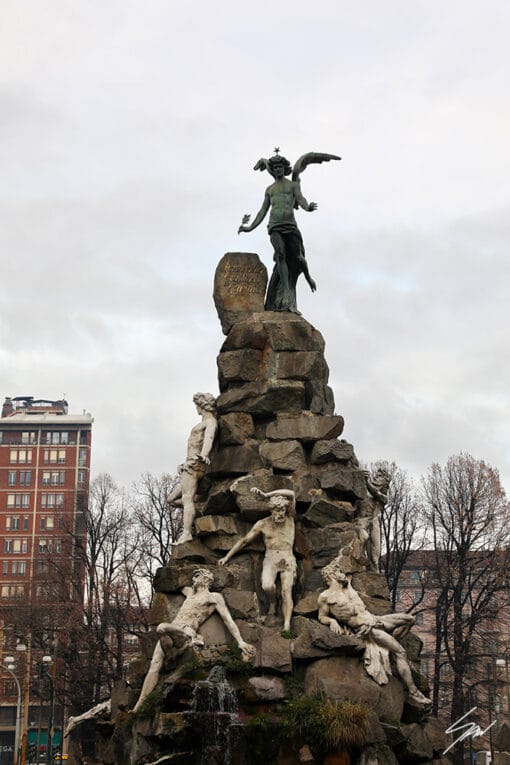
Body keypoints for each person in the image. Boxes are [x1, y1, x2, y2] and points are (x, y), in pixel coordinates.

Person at [132, 569, 255, 713]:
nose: (193, 578)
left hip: (186, 632)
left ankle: (178, 650)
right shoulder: (189, 593)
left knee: (161, 628)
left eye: (196, 575)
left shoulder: (213, 597)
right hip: (174, 629)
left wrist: (240, 642)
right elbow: (174, 583)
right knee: (154, 665)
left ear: (206, 578)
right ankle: (139, 706)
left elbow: (228, 620)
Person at [318, 558, 431, 708]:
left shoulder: (348, 588)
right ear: (332, 574)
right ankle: (413, 691)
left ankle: (392, 639)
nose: (342, 573)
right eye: (339, 571)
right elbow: (321, 616)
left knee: (410, 619)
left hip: (376, 619)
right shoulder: (326, 597)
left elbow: (347, 559)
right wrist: (332, 621)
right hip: (368, 629)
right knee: (400, 652)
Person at [238, 153, 317, 314]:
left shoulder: (292, 186)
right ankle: (286, 292)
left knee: (297, 258)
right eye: (275, 168)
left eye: (280, 167)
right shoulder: (270, 190)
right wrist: (249, 227)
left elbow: (300, 199)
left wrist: (307, 207)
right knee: (280, 254)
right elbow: (262, 211)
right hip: (274, 226)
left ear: (284, 168)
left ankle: (308, 277)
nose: (278, 170)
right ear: (273, 170)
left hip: (290, 226)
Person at [218, 487, 296, 631]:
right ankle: (273, 603)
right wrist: (227, 556)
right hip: (271, 558)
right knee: (267, 585)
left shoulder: (290, 518)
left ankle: (286, 625)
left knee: (286, 591)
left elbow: (291, 494)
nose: (280, 514)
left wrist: (267, 494)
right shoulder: (263, 524)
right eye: (277, 511)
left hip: (287, 557)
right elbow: (244, 541)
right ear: (271, 511)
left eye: (282, 510)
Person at [167, 392, 218, 544]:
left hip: (195, 464)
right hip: (189, 464)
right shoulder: (205, 421)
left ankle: (187, 533)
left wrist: (203, 455)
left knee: (187, 498)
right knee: (171, 499)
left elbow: (209, 438)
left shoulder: (211, 421)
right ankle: (198, 508)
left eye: (196, 404)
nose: (196, 408)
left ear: (202, 405)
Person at [356, 467, 391, 573]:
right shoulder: (363, 489)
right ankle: (358, 564)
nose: (376, 476)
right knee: (363, 538)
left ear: (385, 483)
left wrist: (366, 481)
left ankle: (375, 579)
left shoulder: (383, 496)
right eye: (376, 474)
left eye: (380, 476)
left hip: (374, 522)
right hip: (361, 521)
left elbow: (376, 493)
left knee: (375, 556)